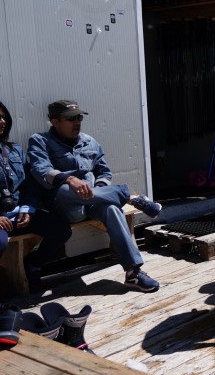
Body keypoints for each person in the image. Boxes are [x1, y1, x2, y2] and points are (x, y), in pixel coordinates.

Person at [28, 100, 162, 293]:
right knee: (67, 190)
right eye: (70, 118)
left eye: (79, 117)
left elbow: (104, 172)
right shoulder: (40, 141)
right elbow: (40, 170)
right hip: (66, 207)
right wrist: (70, 179)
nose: (77, 122)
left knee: (112, 209)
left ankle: (133, 273)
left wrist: (98, 188)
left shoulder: (89, 141)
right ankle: (128, 196)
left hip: (93, 203)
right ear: (54, 121)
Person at [0, 96, 71, 302]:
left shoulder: (13, 150)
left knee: (61, 228)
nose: (2, 121)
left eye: (3, 117)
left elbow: (29, 184)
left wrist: (27, 208)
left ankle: (34, 265)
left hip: (14, 213)